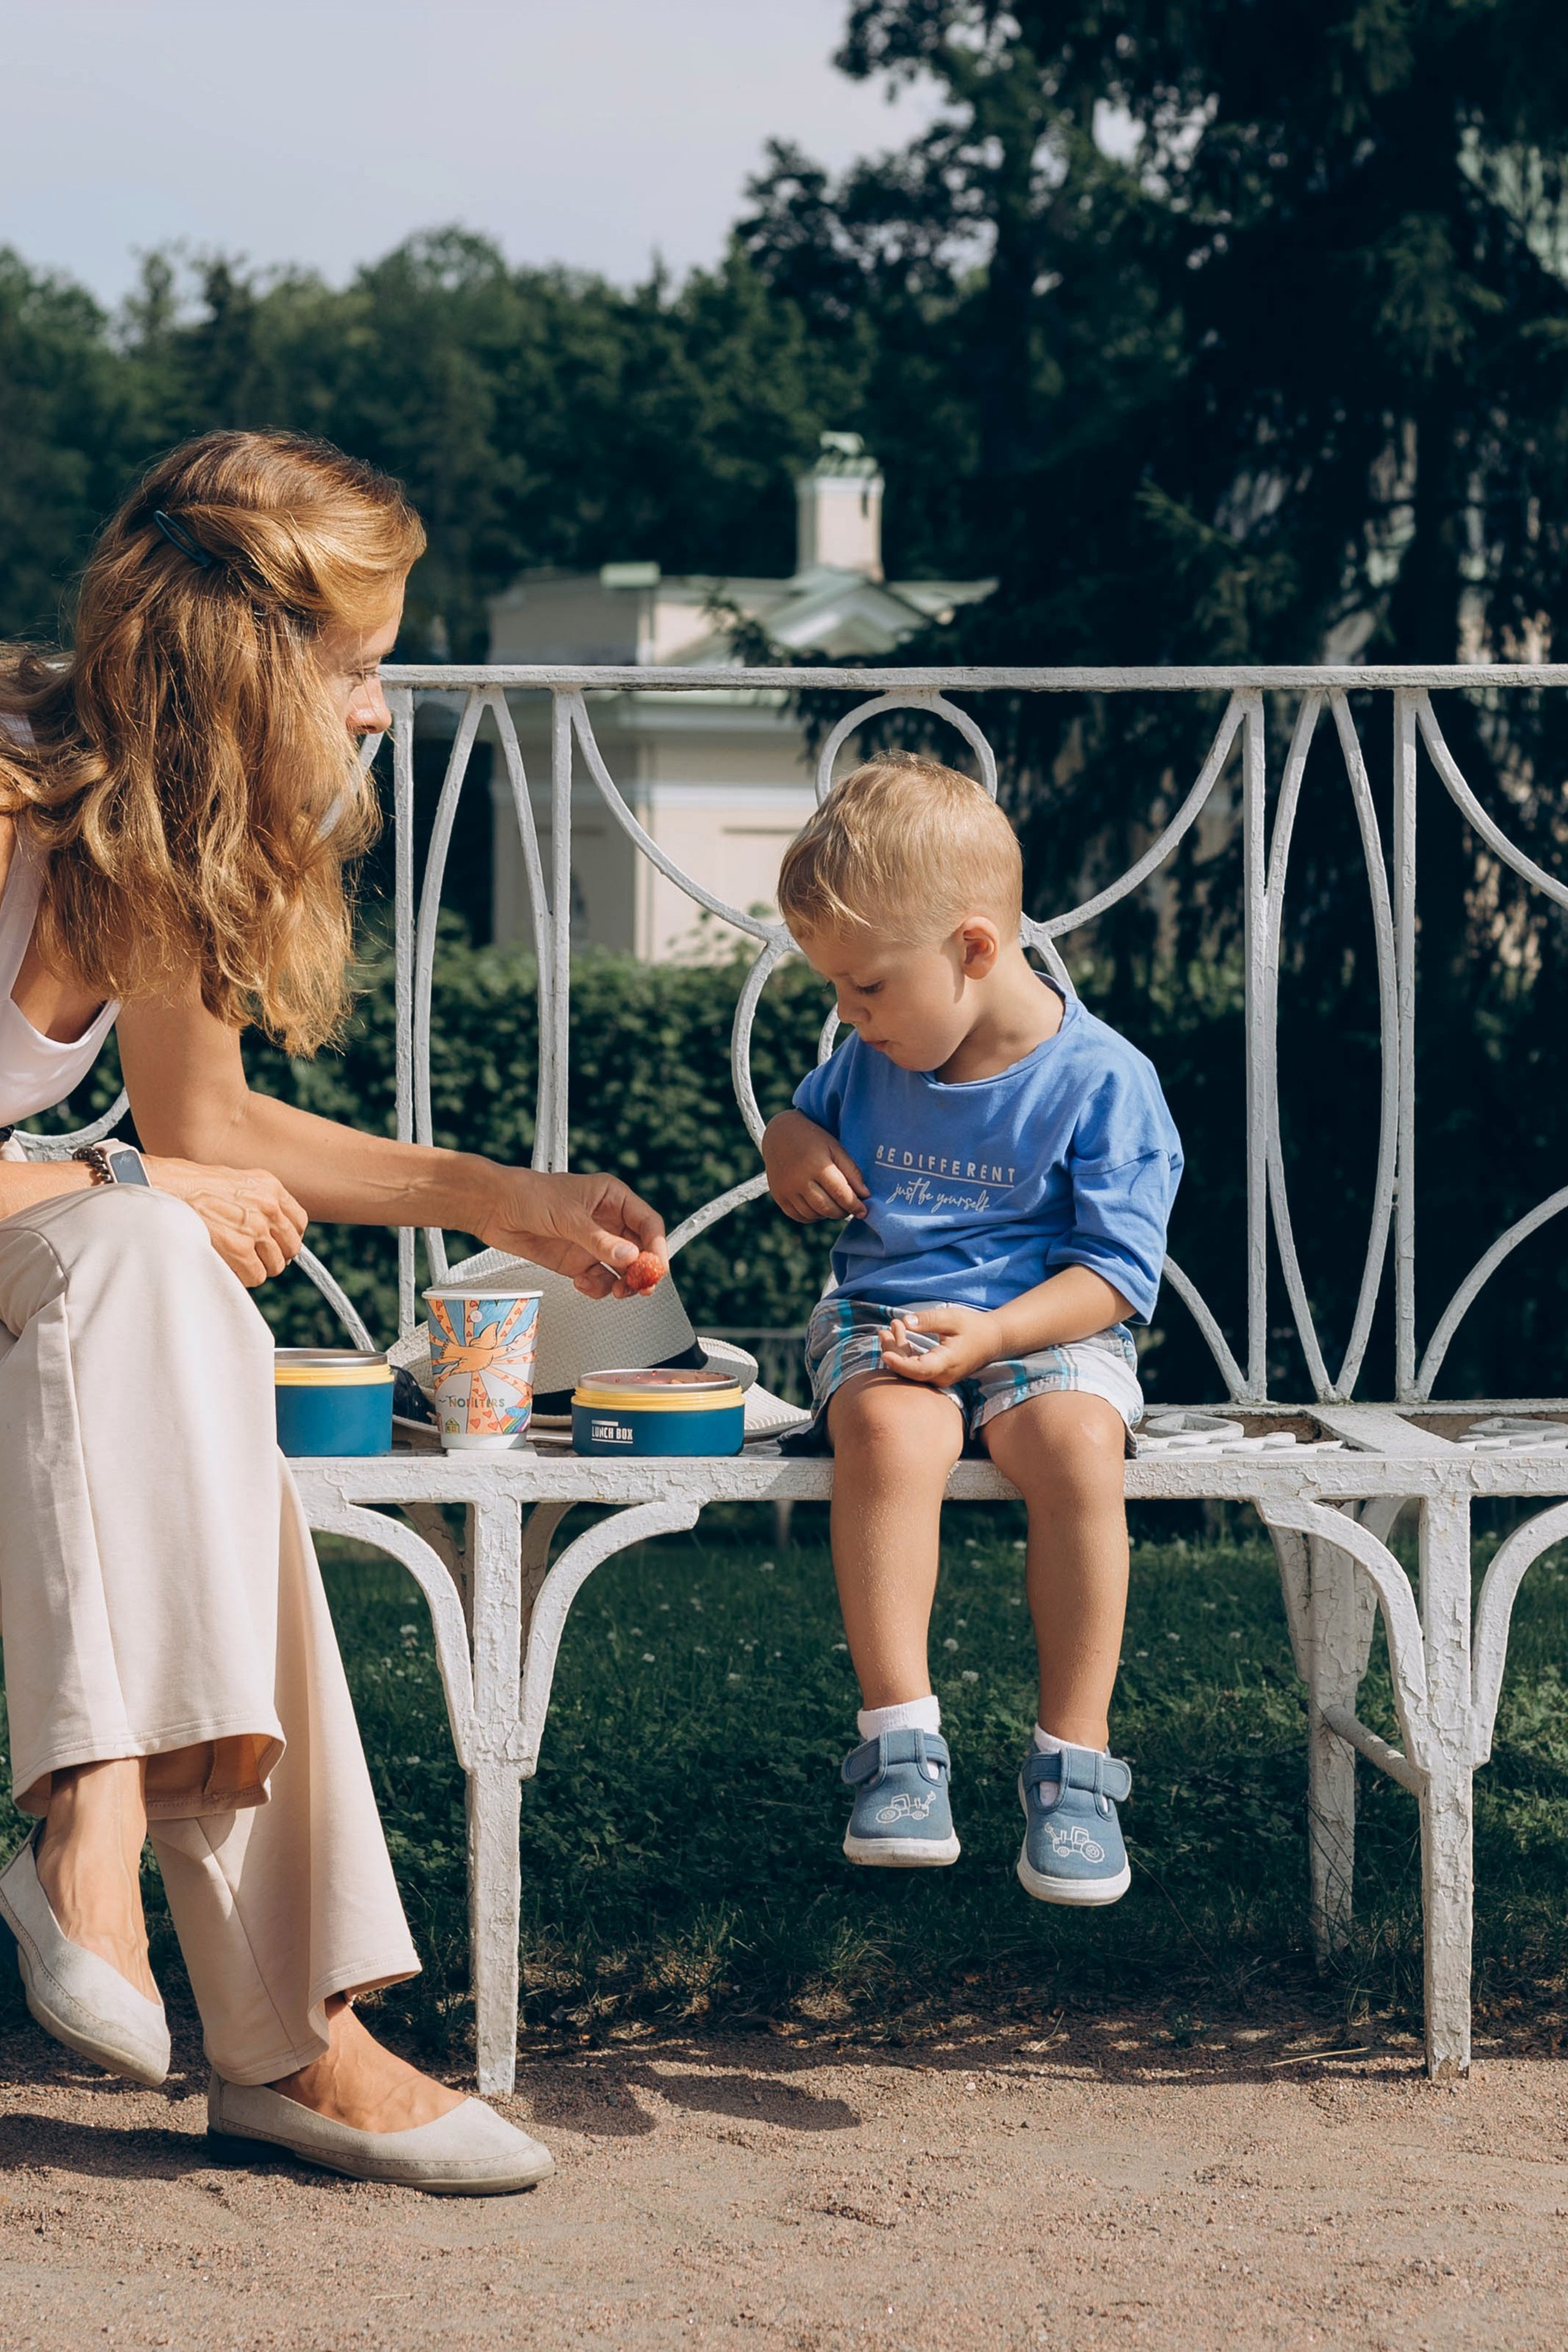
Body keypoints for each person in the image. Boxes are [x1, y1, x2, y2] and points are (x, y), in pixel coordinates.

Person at [0, 430, 665, 2195]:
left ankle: (150, 1892)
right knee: (148, 1249)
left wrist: (511, 1201)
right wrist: (126, 1189)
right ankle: (254, 1997)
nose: (379, 710)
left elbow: (204, 1132)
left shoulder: (139, 844)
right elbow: (158, 1173)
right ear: (240, 656)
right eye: (357, 665)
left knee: (175, 1297)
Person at [763, 755, 1182, 1904]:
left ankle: (1076, 1769)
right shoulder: (872, 1055)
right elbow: (807, 1115)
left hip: (1048, 1331)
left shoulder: (1105, 1082)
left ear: (975, 949)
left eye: (867, 989)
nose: (847, 1019)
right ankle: (900, 1746)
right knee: (896, 1440)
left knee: (1078, 1451)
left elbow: (1111, 1278)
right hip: (890, 1324)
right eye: (835, 994)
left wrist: (996, 1336)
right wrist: (786, 1144)